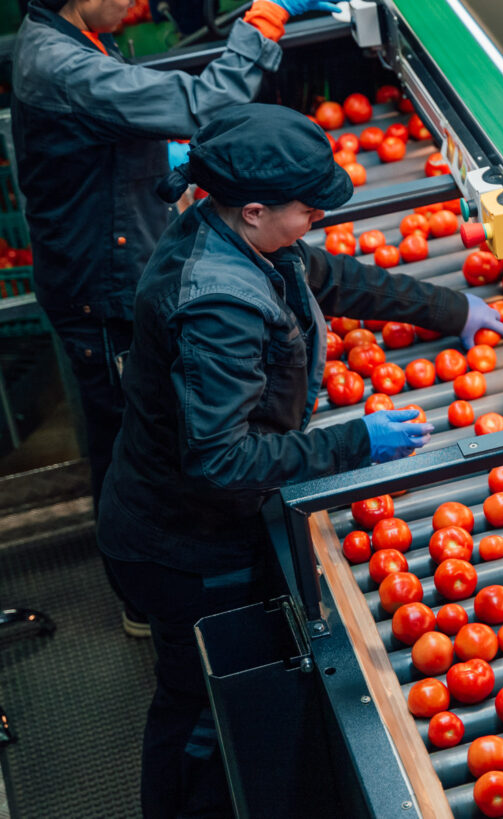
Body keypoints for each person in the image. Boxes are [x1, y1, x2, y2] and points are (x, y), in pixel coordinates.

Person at [95, 102, 503, 817]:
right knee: (198, 715)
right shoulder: (215, 304)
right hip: (186, 546)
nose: (316, 217)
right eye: (307, 208)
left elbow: (329, 276)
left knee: (189, 701)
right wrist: (357, 442)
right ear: (255, 209)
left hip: (189, 520)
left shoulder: (233, 235)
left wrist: (448, 308)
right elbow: (221, 459)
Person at [11, 0, 340, 637]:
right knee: (132, 431)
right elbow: (203, 103)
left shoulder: (67, 37)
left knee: (139, 424)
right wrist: (265, 18)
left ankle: (158, 580)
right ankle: (153, 597)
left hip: (102, 263)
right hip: (101, 289)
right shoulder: (58, 61)